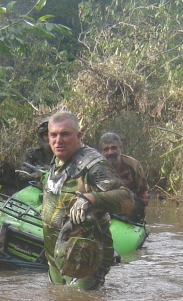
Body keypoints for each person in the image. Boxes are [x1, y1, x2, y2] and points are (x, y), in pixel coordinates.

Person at [41, 112, 134, 290]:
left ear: (79, 136)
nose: (58, 140)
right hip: (58, 255)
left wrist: (91, 198)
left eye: (65, 134)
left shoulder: (93, 165)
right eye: (54, 135)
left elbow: (127, 199)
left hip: (86, 257)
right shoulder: (58, 162)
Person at [98, 132, 149, 222]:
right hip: (105, 209)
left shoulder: (134, 165)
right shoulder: (96, 168)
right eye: (106, 149)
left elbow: (143, 191)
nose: (110, 152)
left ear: (121, 148)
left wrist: (139, 204)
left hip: (129, 208)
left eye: (114, 148)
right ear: (101, 152)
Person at [17, 118, 53, 186]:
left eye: (52, 135)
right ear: (41, 137)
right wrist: (33, 175)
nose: (49, 138)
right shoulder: (32, 154)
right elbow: (23, 175)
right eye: (46, 135)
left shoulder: (64, 154)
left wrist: (49, 169)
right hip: (35, 188)